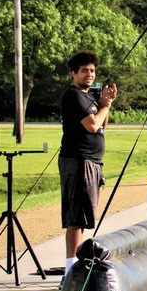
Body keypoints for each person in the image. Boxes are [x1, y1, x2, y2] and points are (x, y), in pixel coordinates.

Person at [59, 50, 116, 278]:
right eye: (84, 70)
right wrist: (104, 107)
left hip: (91, 162)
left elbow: (102, 126)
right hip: (78, 161)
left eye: (92, 71)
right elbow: (92, 126)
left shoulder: (88, 97)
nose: (90, 74)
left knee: (83, 217)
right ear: (74, 73)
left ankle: (75, 268)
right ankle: (70, 271)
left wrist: (105, 103)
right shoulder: (73, 95)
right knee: (75, 217)